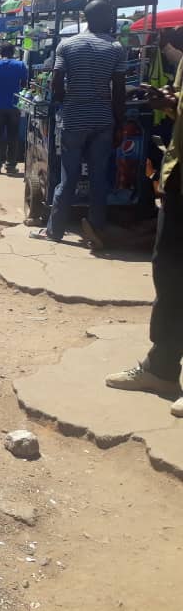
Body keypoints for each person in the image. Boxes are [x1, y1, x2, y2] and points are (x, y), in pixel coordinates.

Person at [105, 72, 183, 418]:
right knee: (168, 275)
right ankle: (161, 369)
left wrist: (174, 102)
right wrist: (170, 102)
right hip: (177, 176)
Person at [34, 0, 127, 244]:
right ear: (102, 17)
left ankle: (55, 231)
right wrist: (120, 122)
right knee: (98, 178)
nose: (111, 20)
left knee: (68, 177)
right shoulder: (116, 48)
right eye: (110, 14)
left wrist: (67, 100)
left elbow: (56, 83)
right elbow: (119, 91)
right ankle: (95, 231)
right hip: (103, 120)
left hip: (74, 120)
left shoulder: (67, 45)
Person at [0, 43, 30, 174]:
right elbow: (24, 83)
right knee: (13, 136)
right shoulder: (20, 65)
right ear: (13, 52)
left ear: (1, 52)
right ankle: (10, 166)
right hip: (14, 106)